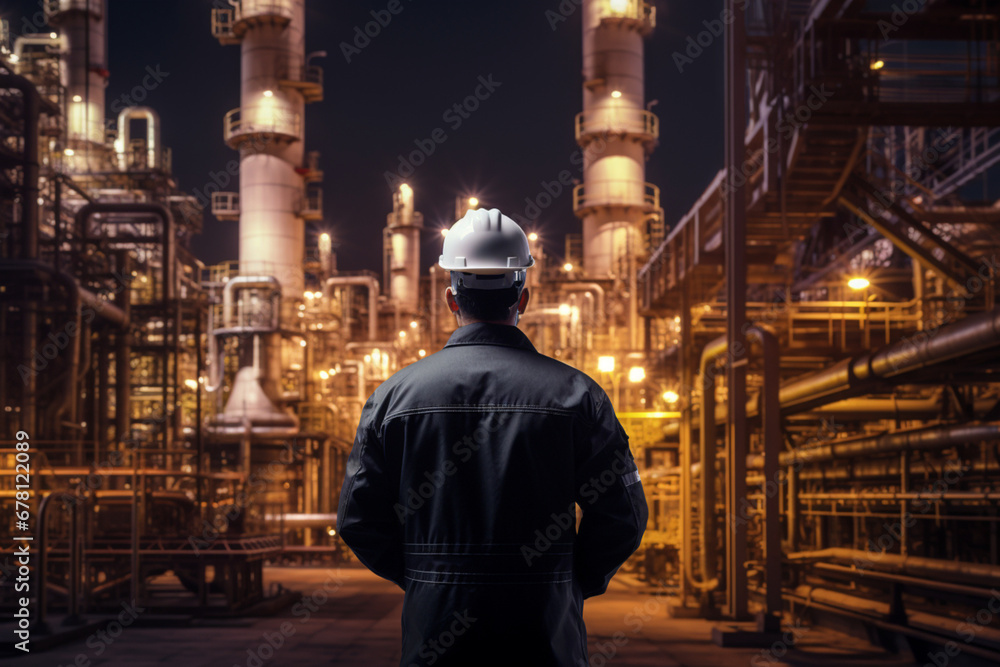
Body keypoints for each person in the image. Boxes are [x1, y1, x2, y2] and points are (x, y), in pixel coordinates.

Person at [337, 207, 647, 666]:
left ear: (450, 298)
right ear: (522, 298)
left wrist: (428, 579)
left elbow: (357, 519)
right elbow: (624, 516)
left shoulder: (393, 399)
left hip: (436, 641)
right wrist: (567, 580)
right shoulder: (579, 397)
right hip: (545, 641)